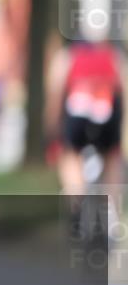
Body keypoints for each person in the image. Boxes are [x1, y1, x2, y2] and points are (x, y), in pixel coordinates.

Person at [45, 38, 124, 239]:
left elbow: (55, 93)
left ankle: (76, 204)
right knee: (112, 158)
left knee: (70, 155)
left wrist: (52, 129)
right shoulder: (114, 56)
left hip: (78, 110)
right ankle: (111, 210)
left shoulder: (68, 56)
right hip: (108, 109)